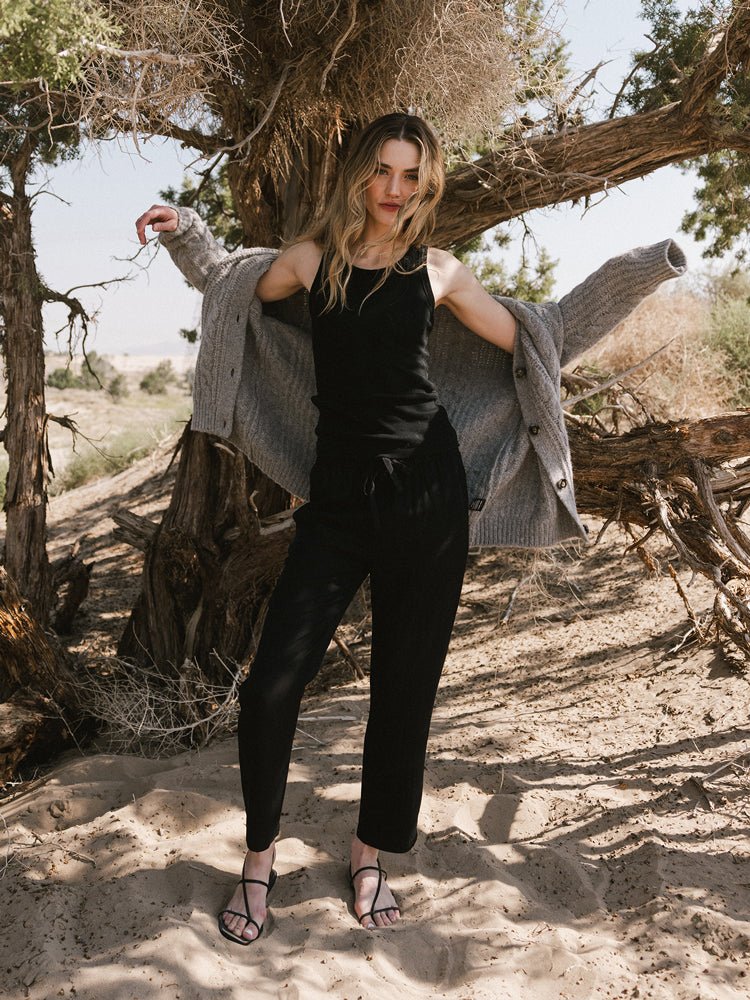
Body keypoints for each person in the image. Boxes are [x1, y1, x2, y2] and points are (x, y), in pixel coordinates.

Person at [135, 112, 687, 945]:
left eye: (412, 178)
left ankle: (370, 853)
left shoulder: (438, 271)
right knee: (272, 685)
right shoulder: (312, 261)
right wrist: (188, 233)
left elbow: (543, 338)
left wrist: (643, 271)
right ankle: (258, 862)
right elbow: (230, 284)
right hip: (338, 502)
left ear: (426, 185)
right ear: (361, 172)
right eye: (384, 172)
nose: (396, 192)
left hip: (428, 501)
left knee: (404, 692)